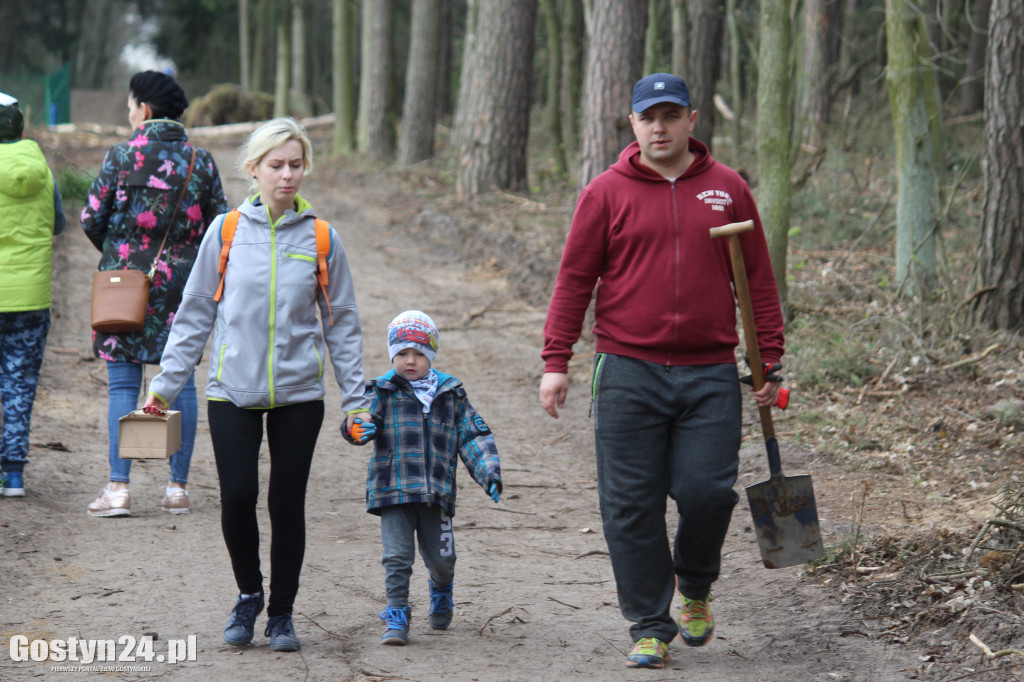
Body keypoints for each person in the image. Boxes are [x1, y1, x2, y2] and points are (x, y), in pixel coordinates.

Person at [538, 73, 785, 670]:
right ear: (632, 125)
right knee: (631, 503)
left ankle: (694, 585)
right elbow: (575, 279)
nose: (659, 127)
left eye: (671, 116)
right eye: (649, 118)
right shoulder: (605, 192)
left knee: (706, 493)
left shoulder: (728, 190)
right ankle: (650, 623)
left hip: (709, 373)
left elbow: (757, 281)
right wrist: (556, 360)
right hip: (626, 368)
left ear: (691, 121)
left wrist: (769, 362)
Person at [143, 117, 372, 652]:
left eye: (295, 165)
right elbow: (194, 313)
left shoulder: (320, 238)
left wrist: (357, 402)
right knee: (238, 496)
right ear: (254, 170)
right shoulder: (224, 233)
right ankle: (249, 595)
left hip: (299, 395)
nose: (287, 175)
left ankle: (283, 615)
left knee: (286, 502)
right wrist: (165, 387)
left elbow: (342, 323)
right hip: (231, 390)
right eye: (276, 165)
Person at [80, 71, 228, 517]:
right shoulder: (201, 162)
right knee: (178, 379)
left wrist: (120, 253)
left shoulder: (120, 156)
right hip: (183, 289)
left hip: (122, 288)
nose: (129, 114)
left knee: (123, 384)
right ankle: (177, 488)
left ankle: (119, 488)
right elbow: (221, 227)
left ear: (143, 109)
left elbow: (91, 218)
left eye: (130, 106)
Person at [356, 310, 502, 646]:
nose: (410, 361)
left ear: (431, 355)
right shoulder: (380, 392)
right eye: (402, 353)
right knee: (396, 556)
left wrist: (489, 473)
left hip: (437, 494)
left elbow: (473, 438)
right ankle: (396, 612)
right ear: (392, 354)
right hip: (392, 491)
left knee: (443, 560)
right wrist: (358, 429)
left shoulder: (450, 395)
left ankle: (441, 588)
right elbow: (361, 422)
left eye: (419, 353)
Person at [0, 92, 66, 497]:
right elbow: (58, 224)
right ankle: (13, 476)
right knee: (20, 384)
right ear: (22, 129)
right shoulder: (42, 169)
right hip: (30, 296)